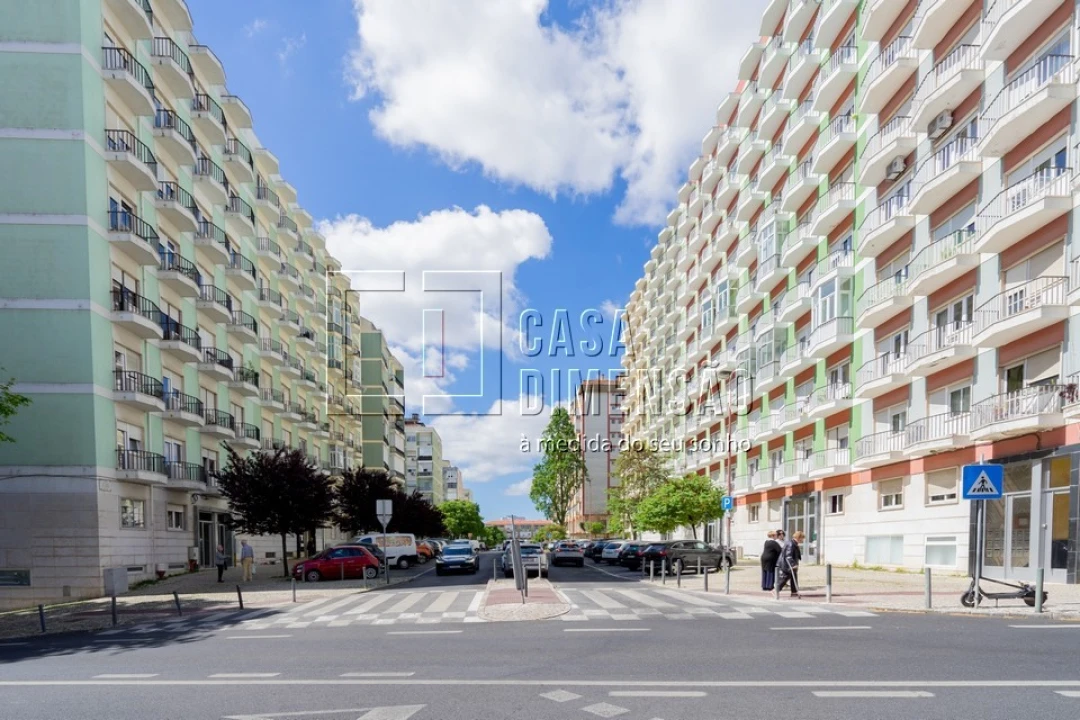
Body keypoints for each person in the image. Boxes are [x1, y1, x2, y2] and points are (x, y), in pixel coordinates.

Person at [776, 530, 804, 598]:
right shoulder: (791, 544)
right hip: (787, 564)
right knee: (785, 577)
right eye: (802, 538)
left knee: (793, 577)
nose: (802, 540)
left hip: (790, 563)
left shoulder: (793, 543)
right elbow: (788, 555)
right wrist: (793, 564)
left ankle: (794, 592)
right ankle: (776, 589)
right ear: (799, 537)